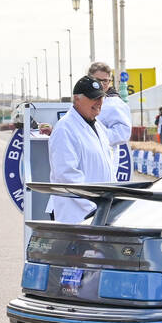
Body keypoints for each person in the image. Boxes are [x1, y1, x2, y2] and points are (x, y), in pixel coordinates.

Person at [46, 76, 116, 223]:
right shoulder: (65, 129)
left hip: (101, 216)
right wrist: (94, 208)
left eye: (101, 98)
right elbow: (67, 176)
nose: (98, 102)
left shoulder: (98, 127)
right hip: (79, 217)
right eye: (93, 98)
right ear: (77, 99)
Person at [86, 62, 131, 152]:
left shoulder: (115, 104)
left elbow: (123, 133)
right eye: (97, 81)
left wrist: (93, 136)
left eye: (105, 81)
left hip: (104, 157)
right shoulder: (82, 100)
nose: (102, 84)